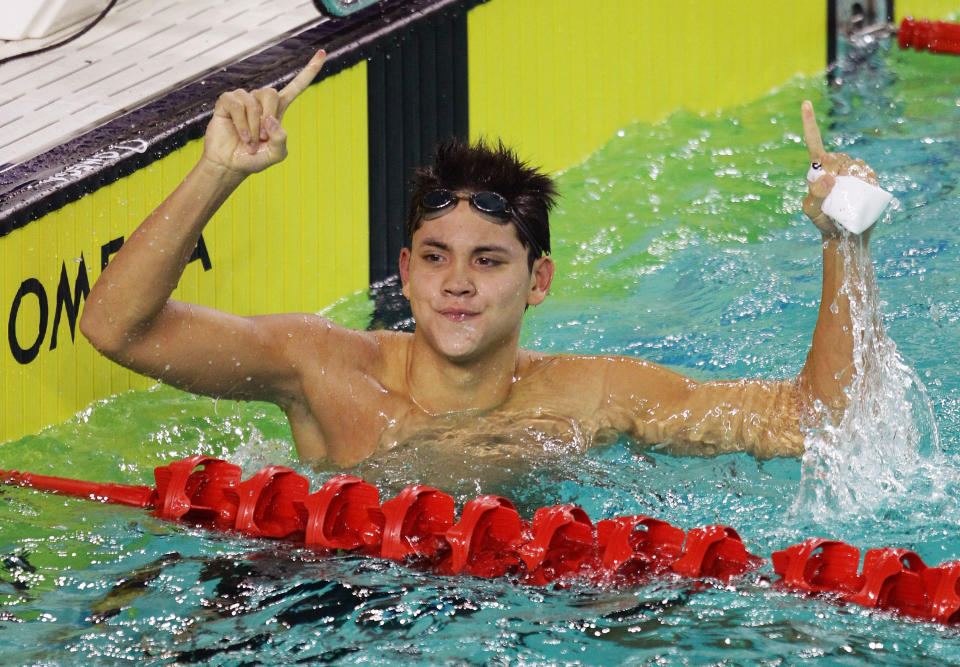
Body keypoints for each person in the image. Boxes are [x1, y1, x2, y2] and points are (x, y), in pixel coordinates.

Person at [79, 50, 878, 467]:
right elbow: (117, 329)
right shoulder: (324, 368)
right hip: (318, 597)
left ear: (540, 281)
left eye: (489, 261)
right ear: (402, 270)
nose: (456, 281)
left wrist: (845, 241)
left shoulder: (590, 394)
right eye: (435, 256)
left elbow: (816, 423)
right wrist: (218, 169)